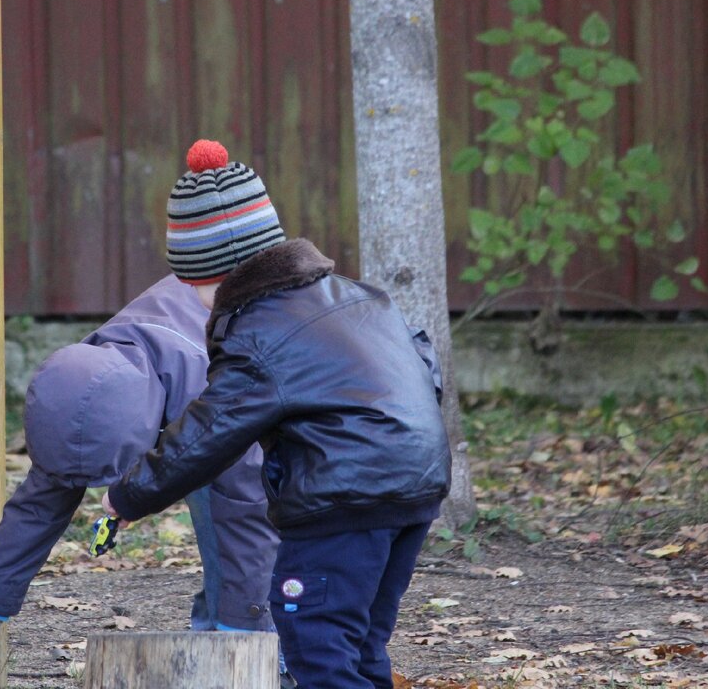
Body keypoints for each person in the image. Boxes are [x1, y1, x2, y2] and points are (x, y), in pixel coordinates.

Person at [104, 140, 451, 689]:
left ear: (211, 278)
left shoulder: (259, 333)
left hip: (340, 504)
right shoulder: (359, 296)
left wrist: (129, 495)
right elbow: (423, 363)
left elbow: (210, 431)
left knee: (316, 651)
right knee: (359, 645)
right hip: (416, 488)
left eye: (191, 287)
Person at [0, 274, 281, 689]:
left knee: (242, 530)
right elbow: (30, 522)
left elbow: (246, 528)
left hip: (276, 388)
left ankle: (267, 656)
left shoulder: (216, 397)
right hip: (179, 392)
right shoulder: (79, 388)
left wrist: (245, 660)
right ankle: (216, 650)